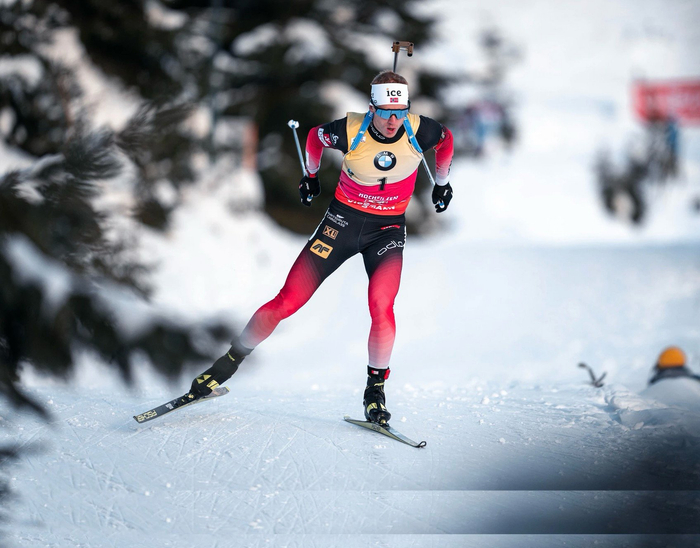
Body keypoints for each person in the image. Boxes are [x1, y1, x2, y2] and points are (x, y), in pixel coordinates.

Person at [186, 70, 454, 425]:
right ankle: (225, 365)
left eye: (400, 112)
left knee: (381, 306)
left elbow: (447, 140)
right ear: (371, 108)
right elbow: (314, 137)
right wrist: (310, 176)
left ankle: (375, 392)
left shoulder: (420, 130)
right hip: (341, 224)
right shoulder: (351, 130)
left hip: (387, 230)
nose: (393, 121)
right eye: (385, 112)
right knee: (287, 301)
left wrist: (442, 182)